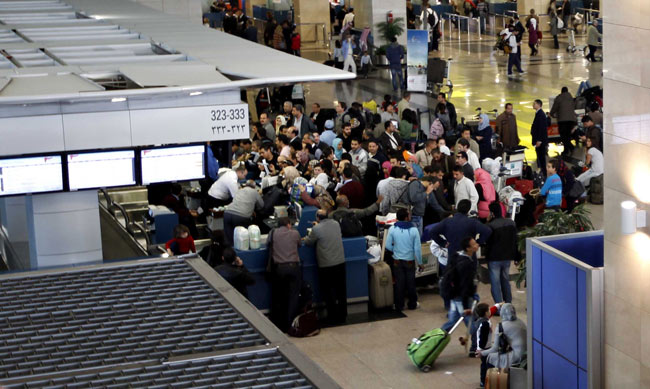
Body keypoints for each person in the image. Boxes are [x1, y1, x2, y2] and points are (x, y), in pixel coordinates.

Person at [303, 210, 347, 324]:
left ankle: (332, 315)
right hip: (340, 262)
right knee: (341, 290)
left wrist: (315, 228)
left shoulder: (316, 229)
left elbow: (308, 242)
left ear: (318, 218)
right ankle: (343, 314)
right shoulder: (336, 224)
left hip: (326, 265)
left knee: (328, 292)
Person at [268, 217, 302, 333]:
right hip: (293, 267)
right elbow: (300, 244)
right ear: (288, 224)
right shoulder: (295, 233)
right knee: (293, 296)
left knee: (279, 296)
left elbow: (268, 244)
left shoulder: (272, 233)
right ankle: (291, 323)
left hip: (279, 269)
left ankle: (279, 324)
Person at [385, 208, 423, 312]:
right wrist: (420, 263)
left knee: (399, 283)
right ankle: (412, 304)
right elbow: (417, 249)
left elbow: (388, 246)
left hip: (397, 261)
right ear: (406, 218)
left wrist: (396, 251)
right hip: (409, 261)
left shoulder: (392, 229)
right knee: (411, 283)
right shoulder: (414, 230)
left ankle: (399, 305)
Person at [440, 236, 479, 332]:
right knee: (470, 322)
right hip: (461, 296)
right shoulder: (466, 264)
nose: (477, 245)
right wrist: (466, 306)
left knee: (453, 320)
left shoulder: (457, 256)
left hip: (454, 294)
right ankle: (476, 344)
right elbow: (464, 284)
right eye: (474, 244)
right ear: (468, 248)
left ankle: (437, 337)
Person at [485, 201, 518, 304]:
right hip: (507, 256)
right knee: (505, 280)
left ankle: (499, 306)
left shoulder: (490, 226)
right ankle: (508, 303)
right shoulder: (511, 223)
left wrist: (487, 222)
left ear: (492, 213)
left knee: (495, 283)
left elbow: (486, 240)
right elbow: (515, 240)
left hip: (494, 257)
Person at [480, 303, 527, 369]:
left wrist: (482, 353)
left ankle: (492, 378)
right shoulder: (520, 322)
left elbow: (495, 349)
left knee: (490, 357)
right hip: (527, 354)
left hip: (518, 357)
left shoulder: (501, 326)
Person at [223, 180, 263, 245]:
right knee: (243, 241)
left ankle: (229, 253)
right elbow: (261, 205)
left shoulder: (239, 191)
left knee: (228, 239)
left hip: (228, 213)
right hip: (241, 217)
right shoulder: (255, 192)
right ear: (254, 187)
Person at [550, 87, 577, 156]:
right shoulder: (571, 98)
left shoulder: (559, 98)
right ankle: (566, 150)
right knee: (567, 136)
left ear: (561, 92)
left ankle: (571, 147)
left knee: (563, 136)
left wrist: (551, 114)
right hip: (571, 120)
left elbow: (554, 107)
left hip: (562, 120)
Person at [474, 303, 493, 385]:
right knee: (486, 365)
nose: (490, 311)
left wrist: (498, 305)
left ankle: (484, 380)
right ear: (486, 313)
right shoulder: (485, 324)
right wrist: (481, 351)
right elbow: (483, 338)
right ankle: (484, 381)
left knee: (485, 364)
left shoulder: (480, 320)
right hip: (485, 348)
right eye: (489, 310)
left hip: (482, 347)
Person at [531, 99, 548, 177]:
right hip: (539, 140)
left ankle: (543, 174)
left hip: (540, 141)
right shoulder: (538, 113)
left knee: (541, 158)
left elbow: (541, 128)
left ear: (538, 105)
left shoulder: (540, 114)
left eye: (534, 104)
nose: (533, 105)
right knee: (539, 157)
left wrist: (539, 140)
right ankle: (541, 173)